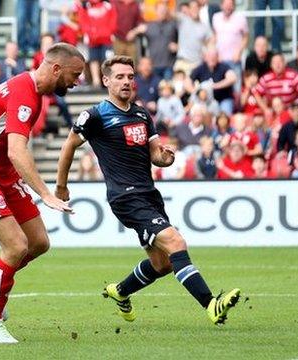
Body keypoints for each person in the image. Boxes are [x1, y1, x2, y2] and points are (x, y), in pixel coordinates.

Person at [55, 55, 240, 326]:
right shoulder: (95, 115)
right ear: (106, 81)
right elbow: (69, 146)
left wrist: (165, 158)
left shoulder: (142, 113)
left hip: (148, 193)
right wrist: (61, 185)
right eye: (119, 77)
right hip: (125, 196)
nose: (127, 82)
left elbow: (155, 154)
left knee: (162, 264)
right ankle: (211, 304)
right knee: (176, 242)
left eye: (130, 77)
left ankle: (120, 291)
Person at [0, 43, 85, 343]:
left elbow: (10, 152)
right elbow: (16, 151)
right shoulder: (24, 92)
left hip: (1, 174)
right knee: (15, 246)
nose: (76, 82)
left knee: (38, 243)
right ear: (55, 69)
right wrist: (46, 194)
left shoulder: (31, 91)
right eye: (74, 75)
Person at [188, 47, 237, 115]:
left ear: (217, 57)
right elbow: (187, 81)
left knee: (225, 115)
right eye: (209, 56)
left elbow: (233, 78)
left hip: (223, 99)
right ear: (205, 57)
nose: (212, 58)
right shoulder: (201, 68)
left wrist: (215, 86)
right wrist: (196, 91)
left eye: (214, 56)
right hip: (207, 101)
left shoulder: (223, 66)